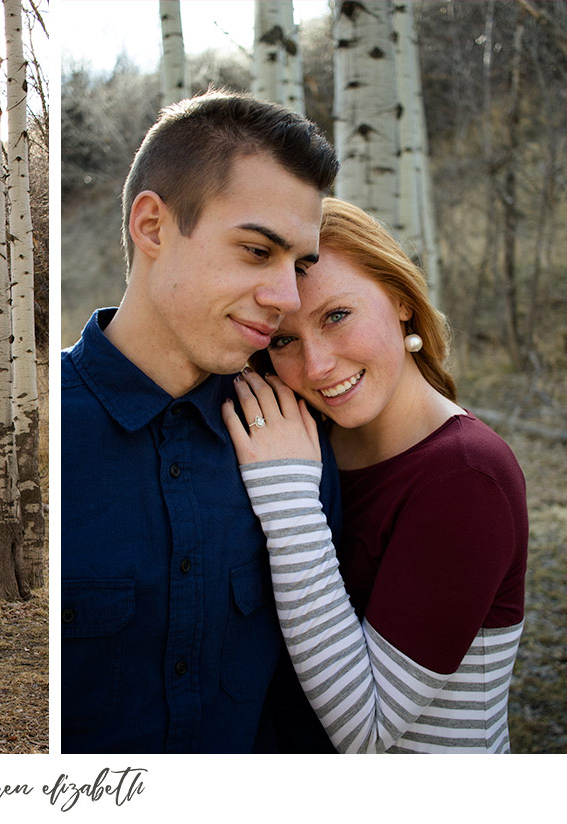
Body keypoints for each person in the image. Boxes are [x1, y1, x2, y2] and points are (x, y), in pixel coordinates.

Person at [61, 90, 341, 753]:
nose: (287, 298)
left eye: (298, 266)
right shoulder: (44, 438)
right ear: (153, 226)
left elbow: (311, 721)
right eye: (255, 251)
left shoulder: (296, 441)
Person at [223, 197, 528, 753]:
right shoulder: (306, 443)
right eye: (285, 340)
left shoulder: (466, 475)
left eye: (336, 315)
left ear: (402, 299)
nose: (316, 366)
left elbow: (367, 731)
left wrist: (288, 499)